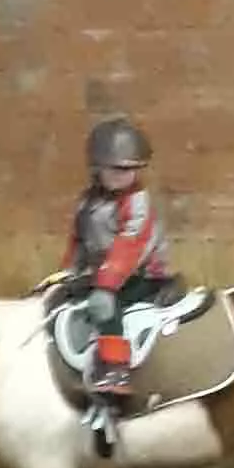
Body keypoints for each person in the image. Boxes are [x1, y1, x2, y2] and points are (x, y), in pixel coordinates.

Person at [58, 117, 178, 399]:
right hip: (103, 273)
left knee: (106, 308)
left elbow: (131, 244)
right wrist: (68, 275)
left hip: (142, 274)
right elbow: (79, 240)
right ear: (97, 168)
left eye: (132, 170)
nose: (127, 176)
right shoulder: (88, 201)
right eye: (118, 169)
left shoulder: (137, 202)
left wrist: (106, 286)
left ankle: (116, 368)